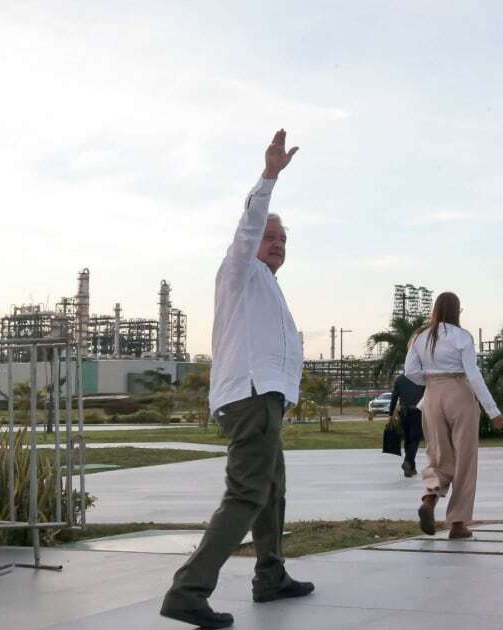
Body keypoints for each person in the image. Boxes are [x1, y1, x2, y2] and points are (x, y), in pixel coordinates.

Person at [161, 130, 313, 630]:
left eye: (283, 241)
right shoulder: (239, 270)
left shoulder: (268, 286)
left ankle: (270, 576)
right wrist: (269, 176)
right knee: (247, 494)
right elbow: (248, 226)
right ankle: (188, 591)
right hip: (250, 398)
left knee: (273, 491)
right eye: (271, 238)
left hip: (266, 399)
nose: (277, 246)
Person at [404, 292, 503, 539]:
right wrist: (493, 411)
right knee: (464, 459)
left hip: (432, 395)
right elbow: (473, 374)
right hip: (459, 393)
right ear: (457, 311)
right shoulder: (462, 336)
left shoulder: (420, 337)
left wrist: (431, 380)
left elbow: (409, 371)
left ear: (435, 310)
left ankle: (429, 500)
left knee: (437, 454)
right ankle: (458, 524)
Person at [388, 372, 426, 477]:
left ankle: (410, 468)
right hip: (417, 411)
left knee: (408, 439)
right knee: (414, 439)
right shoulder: (421, 379)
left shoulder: (399, 379)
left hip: (403, 412)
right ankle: (408, 461)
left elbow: (394, 396)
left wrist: (390, 414)